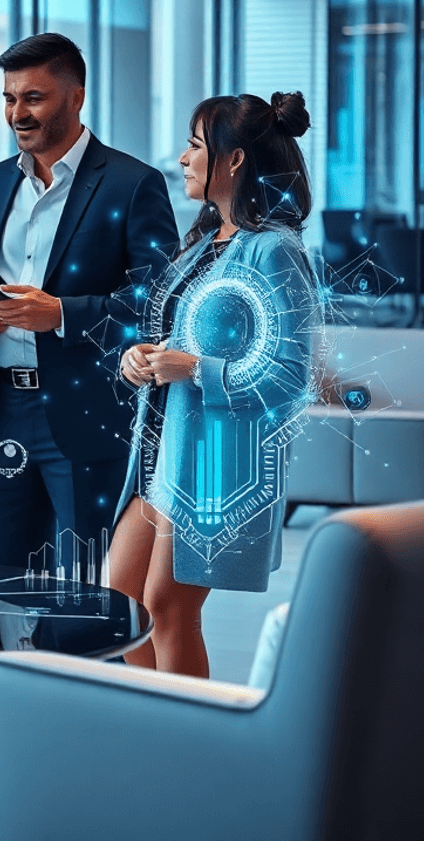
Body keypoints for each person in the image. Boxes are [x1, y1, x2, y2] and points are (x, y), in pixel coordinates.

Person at [0, 32, 177, 777]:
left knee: (85, 586)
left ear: (76, 96)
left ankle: (85, 751)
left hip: (85, 414)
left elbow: (160, 301)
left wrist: (67, 315)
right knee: (6, 580)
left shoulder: (131, 183)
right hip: (3, 407)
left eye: (34, 97)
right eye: (10, 98)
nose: (18, 112)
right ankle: (5, 743)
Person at [109, 91, 318, 678]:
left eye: (196, 146)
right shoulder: (205, 242)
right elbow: (178, 340)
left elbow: (289, 376)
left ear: (233, 161)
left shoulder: (274, 250)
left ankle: (189, 758)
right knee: (121, 606)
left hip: (214, 467)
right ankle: (159, 735)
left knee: (168, 609)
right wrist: (142, 358)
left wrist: (194, 369)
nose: (181, 158)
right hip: (160, 457)